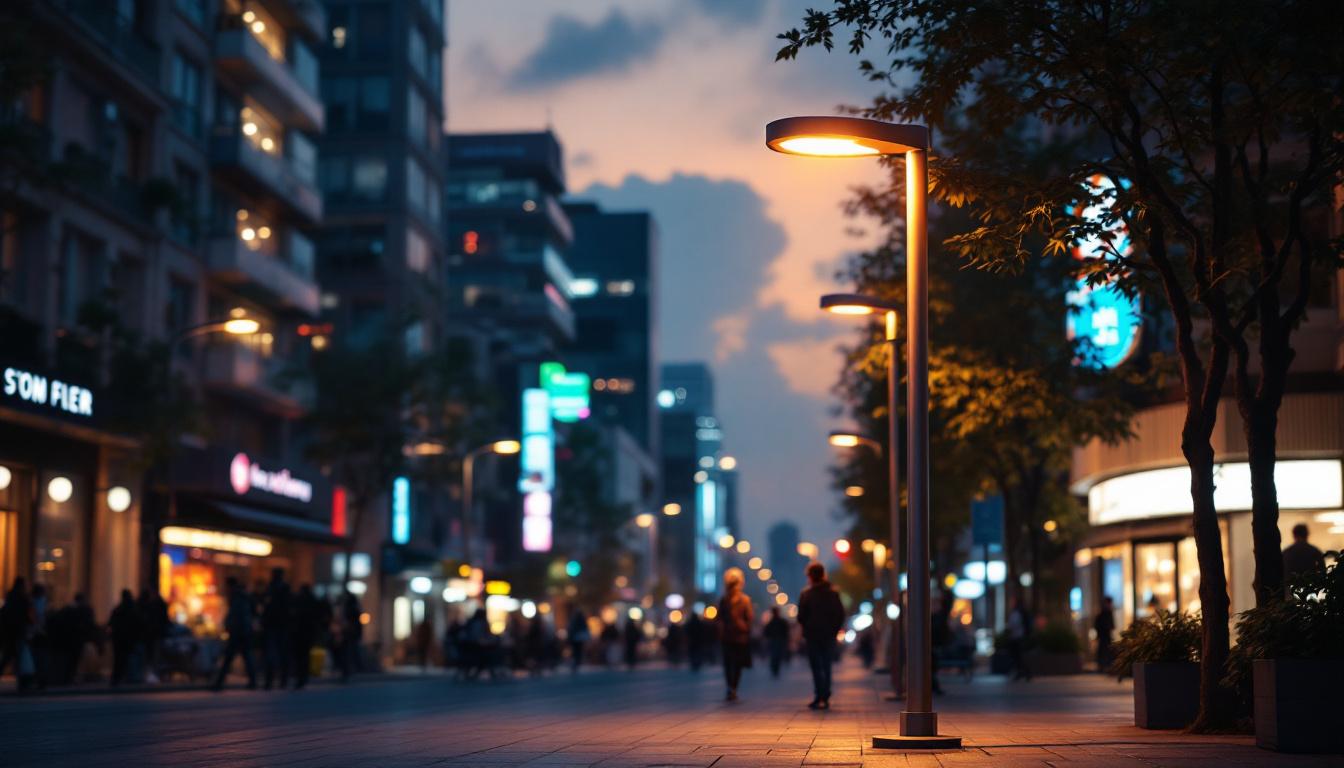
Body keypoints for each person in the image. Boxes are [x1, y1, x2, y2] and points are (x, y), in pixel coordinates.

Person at [797, 562, 845, 709]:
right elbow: (840, 614)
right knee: (827, 664)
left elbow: (801, 616)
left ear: (810, 576)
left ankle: (819, 695)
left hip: (812, 635)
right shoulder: (833, 593)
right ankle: (826, 694)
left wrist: (807, 627)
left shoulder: (806, 594)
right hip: (829, 635)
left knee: (816, 666)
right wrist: (834, 630)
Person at [211, 578, 257, 690]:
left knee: (229, 658)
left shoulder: (237, 598)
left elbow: (236, 616)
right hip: (243, 632)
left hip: (238, 632)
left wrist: (229, 625)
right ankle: (252, 681)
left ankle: (219, 683)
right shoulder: (242, 597)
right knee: (244, 657)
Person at [718, 567, 754, 701]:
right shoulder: (725, 600)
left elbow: (749, 618)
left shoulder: (744, 600)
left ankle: (732, 688)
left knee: (735, 663)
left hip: (739, 636)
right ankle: (731, 688)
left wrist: (744, 627)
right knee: (729, 663)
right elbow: (720, 618)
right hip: (730, 636)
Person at [0, 577, 34, 691]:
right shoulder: (22, 598)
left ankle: (22, 682)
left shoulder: (10, 597)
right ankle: (22, 683)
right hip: (18, 631)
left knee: (8, 656)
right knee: (17, 657)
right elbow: (27, 615)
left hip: (9, 631)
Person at [261, 568, 292, 690]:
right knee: (276, 653)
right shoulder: (275, 588)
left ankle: (275, 680)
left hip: (277, 624)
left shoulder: (278, 588)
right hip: (276, 624)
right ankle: (276, 680)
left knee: (276, 653)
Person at [108, 589, 142, 686]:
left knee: (119, 659)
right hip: (127, 638)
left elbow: (111, 623)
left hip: (120, 638)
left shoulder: (119, 609)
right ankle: (126, 677)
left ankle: (118, 677)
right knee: (127, 658)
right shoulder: (132, 609)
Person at [290, 584, 321, 689]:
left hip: (301, 633)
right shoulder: (312, 601)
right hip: (307, 633)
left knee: (300, 656)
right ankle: (303, 676)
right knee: (304, 656)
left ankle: (301, 677)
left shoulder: (299, 601)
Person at [137, 587, 168, 684]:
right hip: (153, 634)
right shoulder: (154, 606)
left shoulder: (146, 606)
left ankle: (148, 674)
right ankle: (151, 674)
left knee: (149, 655)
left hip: (148, 635)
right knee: (152, 655)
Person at [1282, 523, 1326, 588]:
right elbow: (1322, 571)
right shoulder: (1314, 551)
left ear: (1294, 535)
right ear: (1307, 534)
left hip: (1290, 588)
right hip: (1310, 588)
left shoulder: (1286, 552)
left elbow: (1281, 572)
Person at [1006, 594, 1032, 682]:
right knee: (1018, 657)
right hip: (1018, 637)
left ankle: (1024, 673)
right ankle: (1021, 673)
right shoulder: (1020, 612)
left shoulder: (1017, 613)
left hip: (1017, 637)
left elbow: (1013, 625)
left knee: (1018, 657)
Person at [339, 591, 362, 681]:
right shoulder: (354, 608)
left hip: (350, 633)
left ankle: (351, 669)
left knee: (350, 652)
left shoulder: (351, 609)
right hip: (351, 633)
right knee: (351, 651)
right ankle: (354, 668)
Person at [764, 607, 789, 678]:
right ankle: (775, 668)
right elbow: (786, 632)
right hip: (778, 640)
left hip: (774, 640)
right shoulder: (782, 622)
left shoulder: (770, 622)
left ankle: (774, 668)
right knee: (777, 655)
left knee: (774, 655)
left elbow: (766, 632)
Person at [1094, 596, 1116, 673]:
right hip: (1103, 637)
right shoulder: (1102, 615)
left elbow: (1112, 626)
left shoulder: (1108, 614)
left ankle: (1106, 667)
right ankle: (1103, 666)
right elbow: (1099, 626)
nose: (1109, 605)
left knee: (1106, 652)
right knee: (1103, 651)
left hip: (1106, 637)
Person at [567, 608, 589, 673]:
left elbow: (571, 629)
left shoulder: (574, 620)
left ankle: (576, 663)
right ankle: (576, 663)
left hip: (576, 638)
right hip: (578, 638)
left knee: (576, 651)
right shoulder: (578, 620)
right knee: (578, 651)